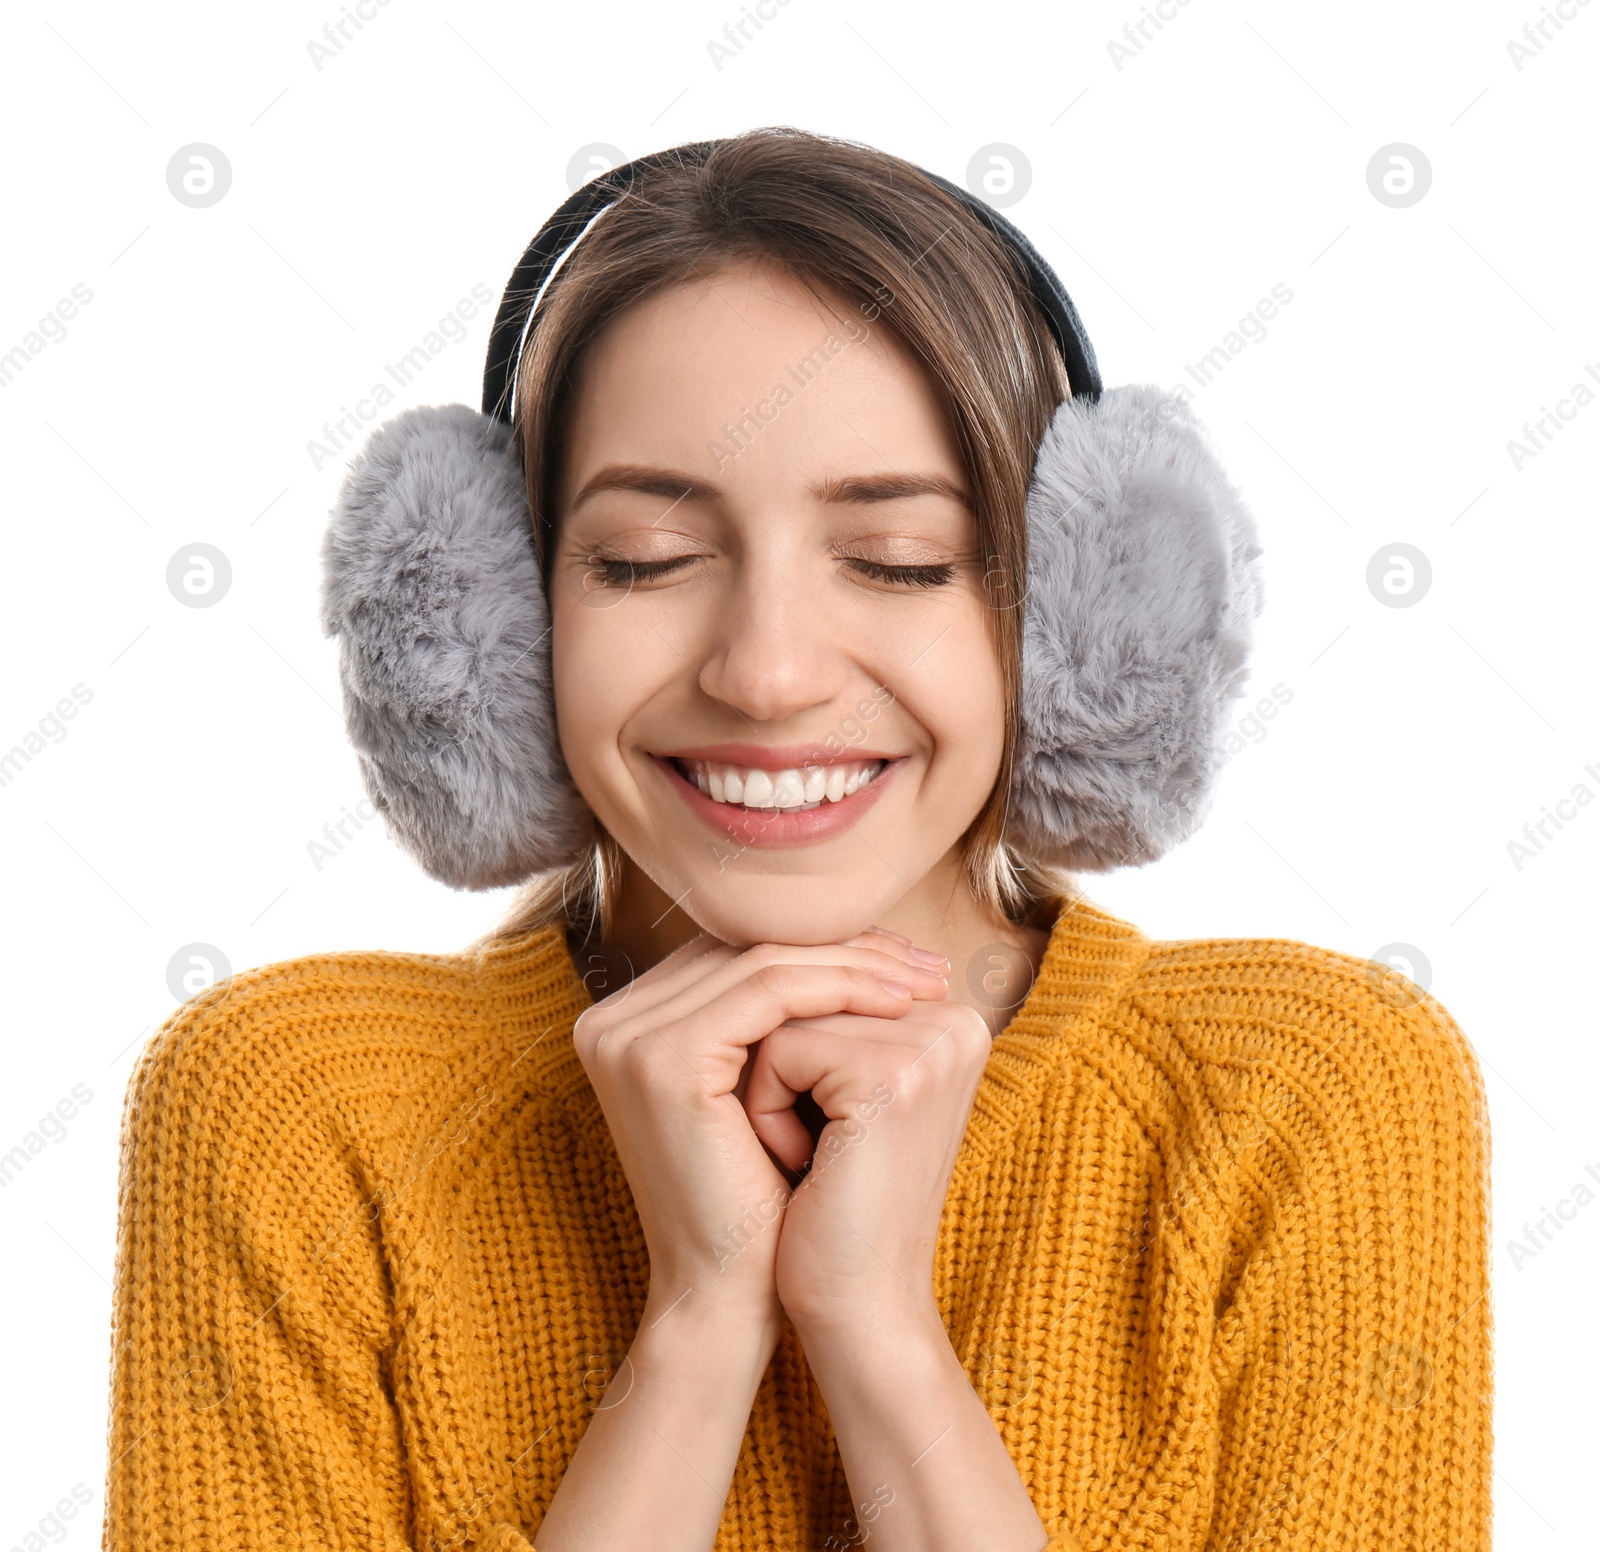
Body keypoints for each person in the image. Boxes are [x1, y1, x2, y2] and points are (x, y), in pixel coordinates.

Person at [103, 128, 1492, 1551]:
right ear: (503, 625)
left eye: (899, 561)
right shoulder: (296, 1112)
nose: (766, 676)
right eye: (643, 560)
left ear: (1077, 620)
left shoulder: (1308, 1099)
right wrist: (698, 1334)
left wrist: (878, 1334)